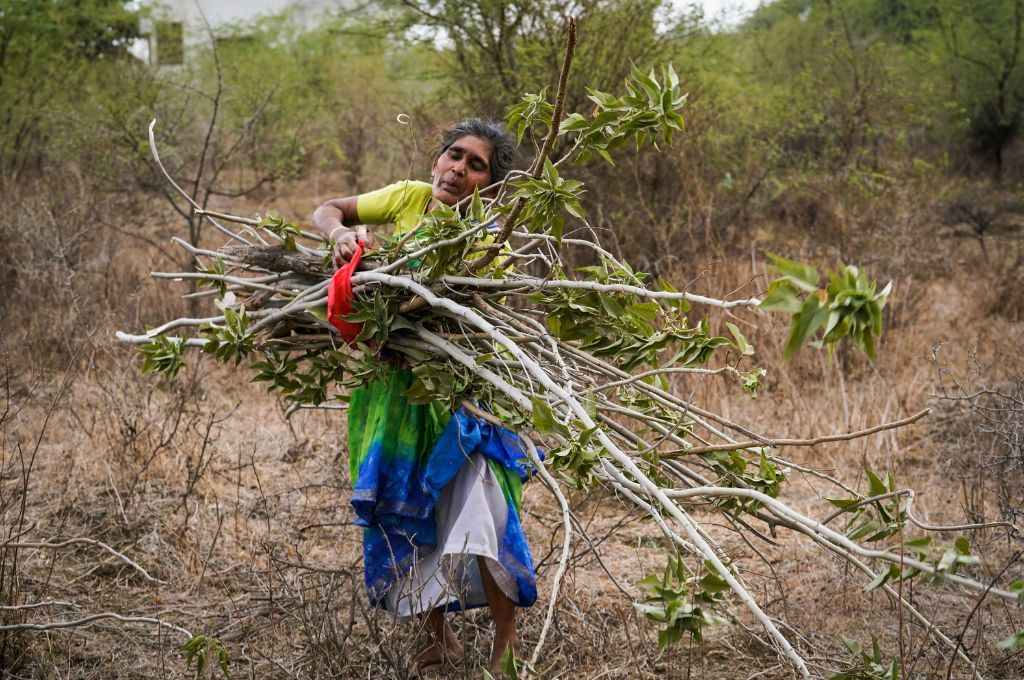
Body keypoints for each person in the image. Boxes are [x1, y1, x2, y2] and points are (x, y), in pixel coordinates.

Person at [311, 119, 534, 676]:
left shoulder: (487, 241)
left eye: (475, 164)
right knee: (413, 506)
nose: (458, 169)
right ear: (436, 160)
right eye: (453, 156)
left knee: (483, 506)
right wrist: (340, 235)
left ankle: (505, 640)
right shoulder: (408, 198)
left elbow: (484, 316)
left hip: (463, 393)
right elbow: (328, 208)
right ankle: (437, 636)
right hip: (397, 391)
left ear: (490, 183)